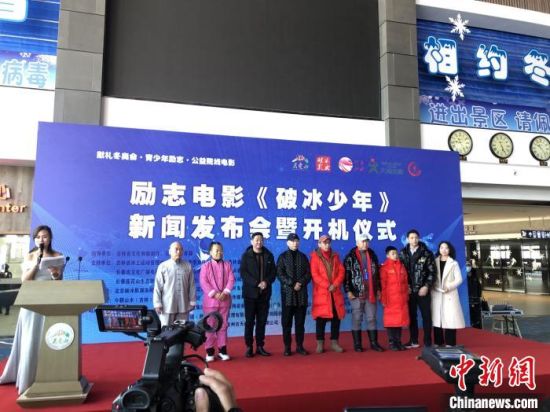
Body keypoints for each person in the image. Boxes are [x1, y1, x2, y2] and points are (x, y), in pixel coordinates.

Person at [0, 225, 64, 395]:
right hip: (31, 301)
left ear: (50, 239)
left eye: (45, 237)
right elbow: (25, 280)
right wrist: (37, 264)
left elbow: (59, 281)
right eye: (38, 237)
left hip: (50, 300)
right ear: (34, 239)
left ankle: (48, 375)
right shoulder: (29, 256)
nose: (41, 240)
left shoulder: (57, 256)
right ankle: (27, 377)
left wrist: (55, 274)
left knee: (47, 337)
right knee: (30, 337)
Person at [344, 234, 383, 352]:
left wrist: (378, 289)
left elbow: (377, 275)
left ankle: (374, 343)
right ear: (357, 243)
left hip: (370, 292)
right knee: (357, 318)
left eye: (367, 241)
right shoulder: (350, 257)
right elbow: (346, 276)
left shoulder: (372, 255)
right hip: (356, 292)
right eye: (363, 242)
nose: (365, 244)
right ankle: (357, 344)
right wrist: (348, 290)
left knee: (372, 318)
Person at [240, 232, 276, 357]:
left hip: (264, 294)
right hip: (250, 295)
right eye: (256, 240)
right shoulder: (246, 256)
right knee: (249, 321)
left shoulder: (269, 255)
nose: (259, 242)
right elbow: (243, 273)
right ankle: (249, 346)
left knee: (262, 321)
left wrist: (266, 282)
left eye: (261, 240)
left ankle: (260, 346)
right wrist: (256, 283)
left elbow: (273, 272)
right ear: (252, 241)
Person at [199, 241, 235, 362]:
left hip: (225, 300)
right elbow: (203, 282)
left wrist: (225, 292)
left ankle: (222, 350)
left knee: (223, 325)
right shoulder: (205, 266)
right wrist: (214, 293)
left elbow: (231, 279)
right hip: (210, 302)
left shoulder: (227, 265)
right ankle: (209, 351)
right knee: (210, 325)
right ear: (210, 252)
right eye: (216, 250)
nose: (219, 252)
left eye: (220, 250)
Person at [276, 233, 311, 356]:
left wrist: (300, 283)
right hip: (288, 295)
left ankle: (300, 346)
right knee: (286, 323)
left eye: (296, 241)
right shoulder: (283, 257)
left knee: (300, 323)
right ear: (287, 243)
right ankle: (287, 347)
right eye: (292, 241)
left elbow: (308, 273)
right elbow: (279, 274)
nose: (295, 243)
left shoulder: (303, 257)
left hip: (301, 295)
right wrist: (292, 283)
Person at [400, 229, 435, 348]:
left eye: (416, 237)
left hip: (423, 290)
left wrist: (426, 286)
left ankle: (427, 341)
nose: (414, 240)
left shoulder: (427, 253)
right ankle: (413, 340)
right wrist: (406, 286)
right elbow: (400, 272)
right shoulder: (402, 253)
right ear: (407, 239)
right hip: (409, 290)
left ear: (419, 238)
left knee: (426, 316)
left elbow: (432, 272)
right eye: (411, 238)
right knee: (412, 316)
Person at [310, 234, 346, 353]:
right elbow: (315, 275)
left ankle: (334, 343)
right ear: (319, 244)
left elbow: (341, 271)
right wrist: (327, 285)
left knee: (336, 318)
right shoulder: (315, 257)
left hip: (334, 292)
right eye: (324, 243)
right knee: (320, 320)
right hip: (322, 293)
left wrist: (335, 284)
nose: (326, 245)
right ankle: (320, 343)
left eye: (328, 243)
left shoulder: (335, 255)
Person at [153, 241, 196, 327]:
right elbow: (158, 286)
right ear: (170, 251)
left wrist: (192, 302)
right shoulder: (163, 266)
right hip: (167, 305)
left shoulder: (188, 266)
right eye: (176, 249)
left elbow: (191, 285)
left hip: (183, 305)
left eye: (181, 249)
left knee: (182, 330)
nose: (178, 252)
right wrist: (157, 303)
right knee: (166, 330)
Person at [432, 241, 465, 347]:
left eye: (446, 248)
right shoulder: (434, 262)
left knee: (451, 319)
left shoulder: (454, 263)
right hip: (437, 293)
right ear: (439, 249)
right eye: (441, 247)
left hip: (449, 294)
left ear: (450, 250)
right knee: (437, 319)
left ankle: (450, 343)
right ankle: (438, 342)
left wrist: (449, 287)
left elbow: (459, 279)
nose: (444, 250)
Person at [380, 246, 409, 351]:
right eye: (392, 253)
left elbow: (405, 282)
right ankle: (392, 342)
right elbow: (383, 285)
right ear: (387, 255)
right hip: (390, 299)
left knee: (399, 321)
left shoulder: (402, 266)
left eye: (396, 253)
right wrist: (383, 299)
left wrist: (406, 295)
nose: (395, 255)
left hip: (401, 299)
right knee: (391, 321)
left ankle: (398, 342)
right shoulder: (385, 268)